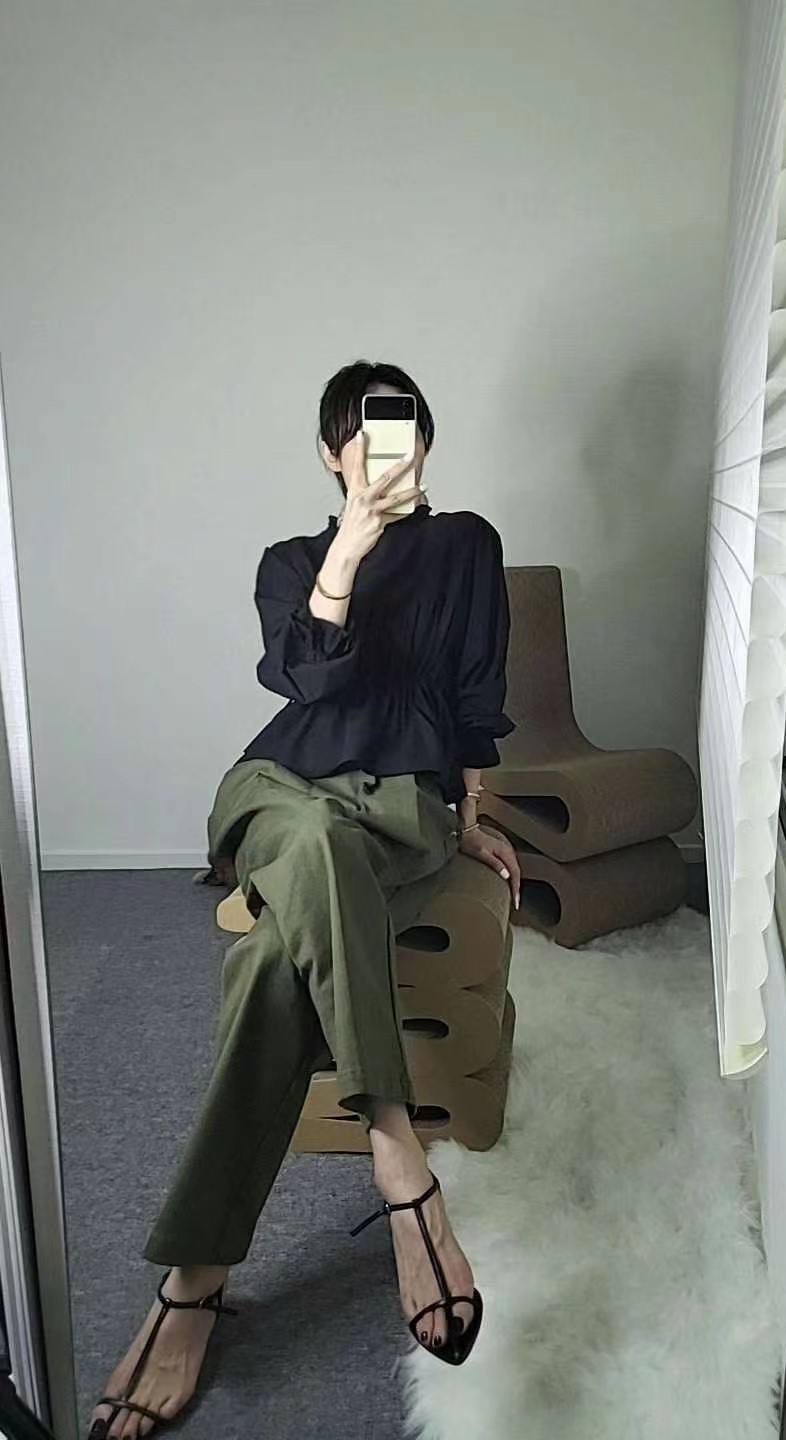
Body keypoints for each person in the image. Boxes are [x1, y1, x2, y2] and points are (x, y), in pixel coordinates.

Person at [88, 361, 521, 1438]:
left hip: (400, 806)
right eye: (362, 434)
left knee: (271, 961)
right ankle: (397, 1151)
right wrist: (349, 550)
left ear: (425, 442)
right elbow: (306, 681)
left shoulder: (468, 545)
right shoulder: (291, 561)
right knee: (313, 839)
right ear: (332, 454)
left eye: (402, 427)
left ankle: (192, 1283)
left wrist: (471, 811)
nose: (385, 448)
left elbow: (476, 696)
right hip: (278, 790)